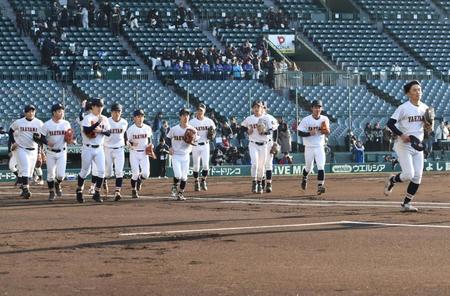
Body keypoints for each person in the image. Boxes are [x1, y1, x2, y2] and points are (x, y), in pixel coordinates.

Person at [384, 80, 429, 212]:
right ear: (408, 93)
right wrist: (401, 134)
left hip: (417, 145)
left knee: (417, 177)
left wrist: (428, 126)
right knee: (409, 174)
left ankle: (406, 204)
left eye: (419, 89)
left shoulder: (425, 108)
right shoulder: (403, 107)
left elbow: (427, 127)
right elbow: (390, 124)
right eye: (414, 90)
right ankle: (392, 180)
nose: (418, 92)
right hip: (404, 145)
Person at [75, 98, 111, 203]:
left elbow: (108, 132)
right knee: (85, 171)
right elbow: (87, 130)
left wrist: (101, 130)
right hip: (87, 147)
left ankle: (97, 193)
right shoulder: (88, 117)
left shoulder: (104, 118)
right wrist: (96, 124)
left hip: (99, 147)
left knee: (102, 172)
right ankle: (79, 191)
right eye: (98, 106)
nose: (100, 108)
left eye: (101, 106)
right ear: (93, 107)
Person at [37, 103, 72, 201]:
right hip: (50, 152)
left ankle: (57, 184)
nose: (62, 113)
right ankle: (51, 192)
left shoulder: (66, 123)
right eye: (59, 111)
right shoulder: (47, 124)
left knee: (61, 175)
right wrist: (47, 142)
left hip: (62, 152)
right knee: (50, 174)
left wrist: (70, 140)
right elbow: (41, 137)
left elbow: (69, 136)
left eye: (62, 111)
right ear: (54, 112)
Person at [9, 105, 44, 199]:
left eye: (33, 111)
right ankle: (26, 189)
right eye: (28, 111)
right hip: (21, 148)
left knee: (29, 172)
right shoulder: (19, 122)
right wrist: (13, 142)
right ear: (25, 113)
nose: (31, 113)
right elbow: (10, 130)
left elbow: (43, 138)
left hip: (34, 149)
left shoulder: (39, 123)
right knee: (25, 168)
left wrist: (40, 152)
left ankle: (23, 188)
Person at [297, 100, 330, 196]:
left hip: (320, 146)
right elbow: (299, 132)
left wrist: (326, 130)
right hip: (309, 147)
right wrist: (309, 133)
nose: (317, 109)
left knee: (321, 166)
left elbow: (327, 132)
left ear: (321, 109)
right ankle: (304, 177)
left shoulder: (325, 119)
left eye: (319, 107)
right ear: (312, 108)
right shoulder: (306, 120)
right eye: (315, 107)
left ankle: (320, 186)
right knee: (308, 167)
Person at [241, 100, 273, 194]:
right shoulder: (249, 119)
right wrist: (247, 130)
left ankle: (259, 183)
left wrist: (264, 132)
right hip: (253, 144)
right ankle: (254, 182)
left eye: (258, 107)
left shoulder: (266, 118)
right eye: (255, 107)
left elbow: (271, 131)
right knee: (254, 164)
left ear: (262, 108)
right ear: (252, 109)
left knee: (261, 166)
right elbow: (241, 128)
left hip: (264, 145)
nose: (256, 108)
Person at [167, 108, 197, 200]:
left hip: (186, 155)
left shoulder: (192, 129)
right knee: (178, 175)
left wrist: (193, 139)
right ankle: (174, 185)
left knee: (184, 177)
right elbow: (168, 138)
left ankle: (180, 193)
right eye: (184, 115)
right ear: (180, 117)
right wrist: (170, 147)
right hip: (176, 155)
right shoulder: (174, 129)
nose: (186, 117)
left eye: (187, 115)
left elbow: (196, 140)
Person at [126, 109, 152, 199]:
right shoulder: (131, 129)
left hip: (144, 153)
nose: (140, 118)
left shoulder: (147, 128)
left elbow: (149, 139)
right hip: (134, 153)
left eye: (142, 116)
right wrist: (132, 144)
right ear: (134, 118)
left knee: (146, 174)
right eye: (138, 116)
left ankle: (140, 180)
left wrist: (150, 146)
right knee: (135, 174)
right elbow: (127, 142)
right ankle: (134, 190)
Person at [189, 103, 216, 191]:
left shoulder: (209, 121)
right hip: (195, 145)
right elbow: (188, 133)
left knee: (205, 165)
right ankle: (196, 182)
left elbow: (214, 131)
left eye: (201, 110)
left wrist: (213, 135)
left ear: (204, 111)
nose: (199, 111)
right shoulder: (192, 122)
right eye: (198, 110)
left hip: (205, 144)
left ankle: (203, 180)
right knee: (196, 166)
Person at [104, 103, 128, 201]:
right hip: (107, 149)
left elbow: (123, 135)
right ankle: (104, 180)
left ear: (121, 112)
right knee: (108, 173)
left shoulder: (124, 122)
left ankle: (117, 191)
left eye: (118, 111)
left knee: (119, 171)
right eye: (115, 111)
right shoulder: (106, 121)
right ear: (111, 112)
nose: (117, 113)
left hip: (119, 149)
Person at [262, 102, 279, 193]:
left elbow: (275, 130)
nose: (262, 108)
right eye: (261, 107)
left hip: (268, 143)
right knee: (260, 164)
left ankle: (268, 184)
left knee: (268, 163)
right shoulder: (254, 118)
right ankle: (262, 182)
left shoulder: (270, 118)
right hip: (257, 144)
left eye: (264, 107)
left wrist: (275, 142)